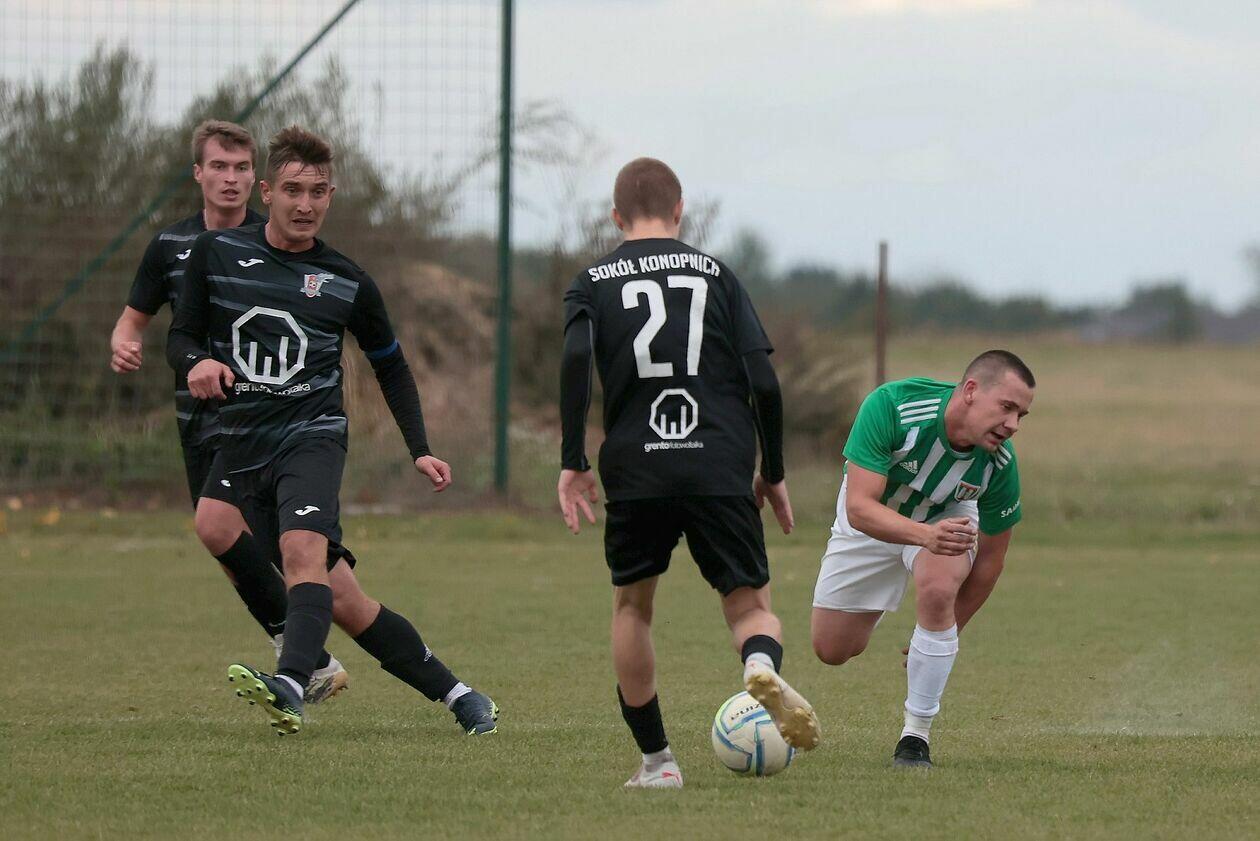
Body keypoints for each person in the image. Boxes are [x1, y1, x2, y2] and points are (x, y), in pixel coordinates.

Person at [167, 125, 497, 736]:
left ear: (330, 196)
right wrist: (197, 363)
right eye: (293, 190)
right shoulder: (216, 254)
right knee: (343, 598)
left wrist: (420, 449)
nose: (305, 204)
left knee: (301, 553)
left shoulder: (347, 280)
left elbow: (390, 365)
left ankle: (293, 685)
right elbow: (182, 335)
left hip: (311, 436)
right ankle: (461, 696)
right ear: (267, 192)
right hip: (242, 441)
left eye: (317, 192)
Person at [558, 157, 820, 789]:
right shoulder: (719, 276)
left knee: (633, 608)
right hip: (718, 462)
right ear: (680, 211)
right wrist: (772, 469)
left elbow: (574, 359)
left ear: (616, 217)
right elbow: (763, 380)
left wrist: (573, 460)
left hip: (637, 468)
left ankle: (658, 764)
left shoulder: (591, 282)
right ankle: (759, 664)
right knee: (750, 609)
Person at [110, 119, 346, 703]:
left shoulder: (276, 238)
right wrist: (124, 343)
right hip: (198, 418)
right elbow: (134, 320)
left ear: (256, 181)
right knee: (223, 540)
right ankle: (309, 657)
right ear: (198, 173)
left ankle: (306, 655)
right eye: (219, 166)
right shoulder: (170, 246)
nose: (231, 178)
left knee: (268, 540)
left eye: (241, 167)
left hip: (265, 420)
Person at [811, 351, 1034, 768]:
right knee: (832, 649)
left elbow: (990, 561)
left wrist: (950, 626)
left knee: (938, 587)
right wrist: (924, 536)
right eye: (1006, 407)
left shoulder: (999, 463)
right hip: (874, 516)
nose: (1013, 425)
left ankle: (915, 739)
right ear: (971, 391)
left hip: (946, 517)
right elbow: (859, 508)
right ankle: (877, 603)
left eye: (1021, 414)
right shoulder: (893, 406)